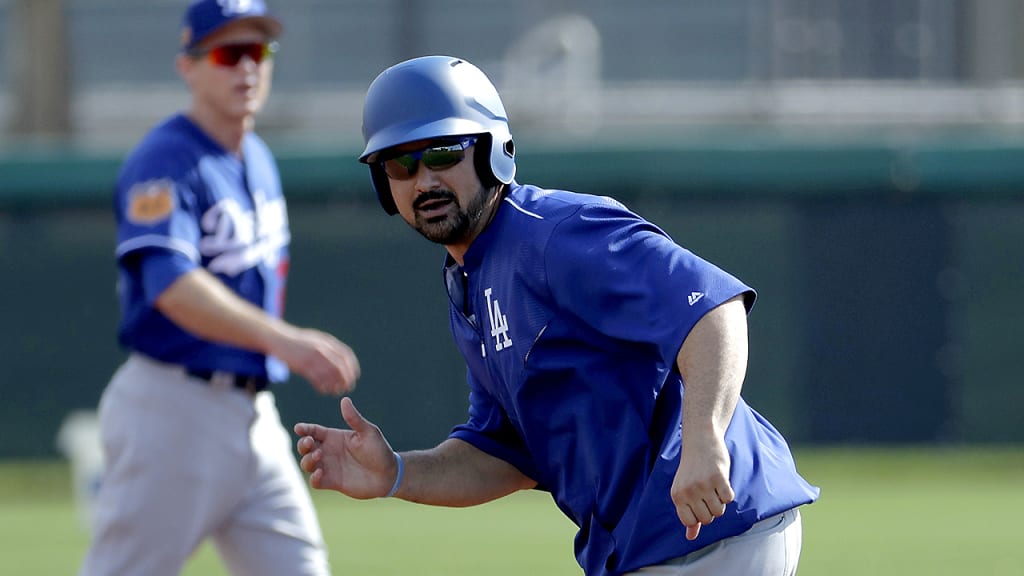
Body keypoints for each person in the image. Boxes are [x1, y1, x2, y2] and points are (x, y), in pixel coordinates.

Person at [295, 55, 818, 576]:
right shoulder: (469, 282)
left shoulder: (555, 233)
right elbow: (504, 455)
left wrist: (704, 437)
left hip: (712, 528)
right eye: (400, 164)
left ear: (491, 151)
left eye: (443, 152)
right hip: (658, 546)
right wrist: (397, 473)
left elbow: (714, 309)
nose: (424, 180)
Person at [79, 2, 360, 575]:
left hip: (251, 415)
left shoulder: (256, 157)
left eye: (257, 51)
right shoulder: (165, 159)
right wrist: (284, 341)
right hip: (172, 411)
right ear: (189, 65)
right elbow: (172, 286)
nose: (247, 69)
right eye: (229, 53)